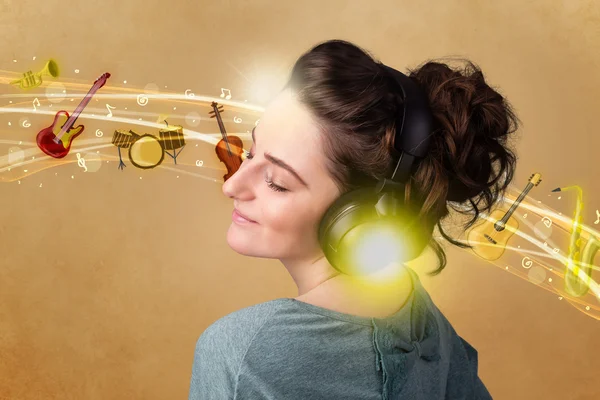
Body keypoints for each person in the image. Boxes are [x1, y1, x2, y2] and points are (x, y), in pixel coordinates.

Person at [188, 39, 518, 399]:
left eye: (277, 183)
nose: (232, 185)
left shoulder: (242, 354)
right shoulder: (420, 316)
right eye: (251, 153)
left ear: (363, 215)